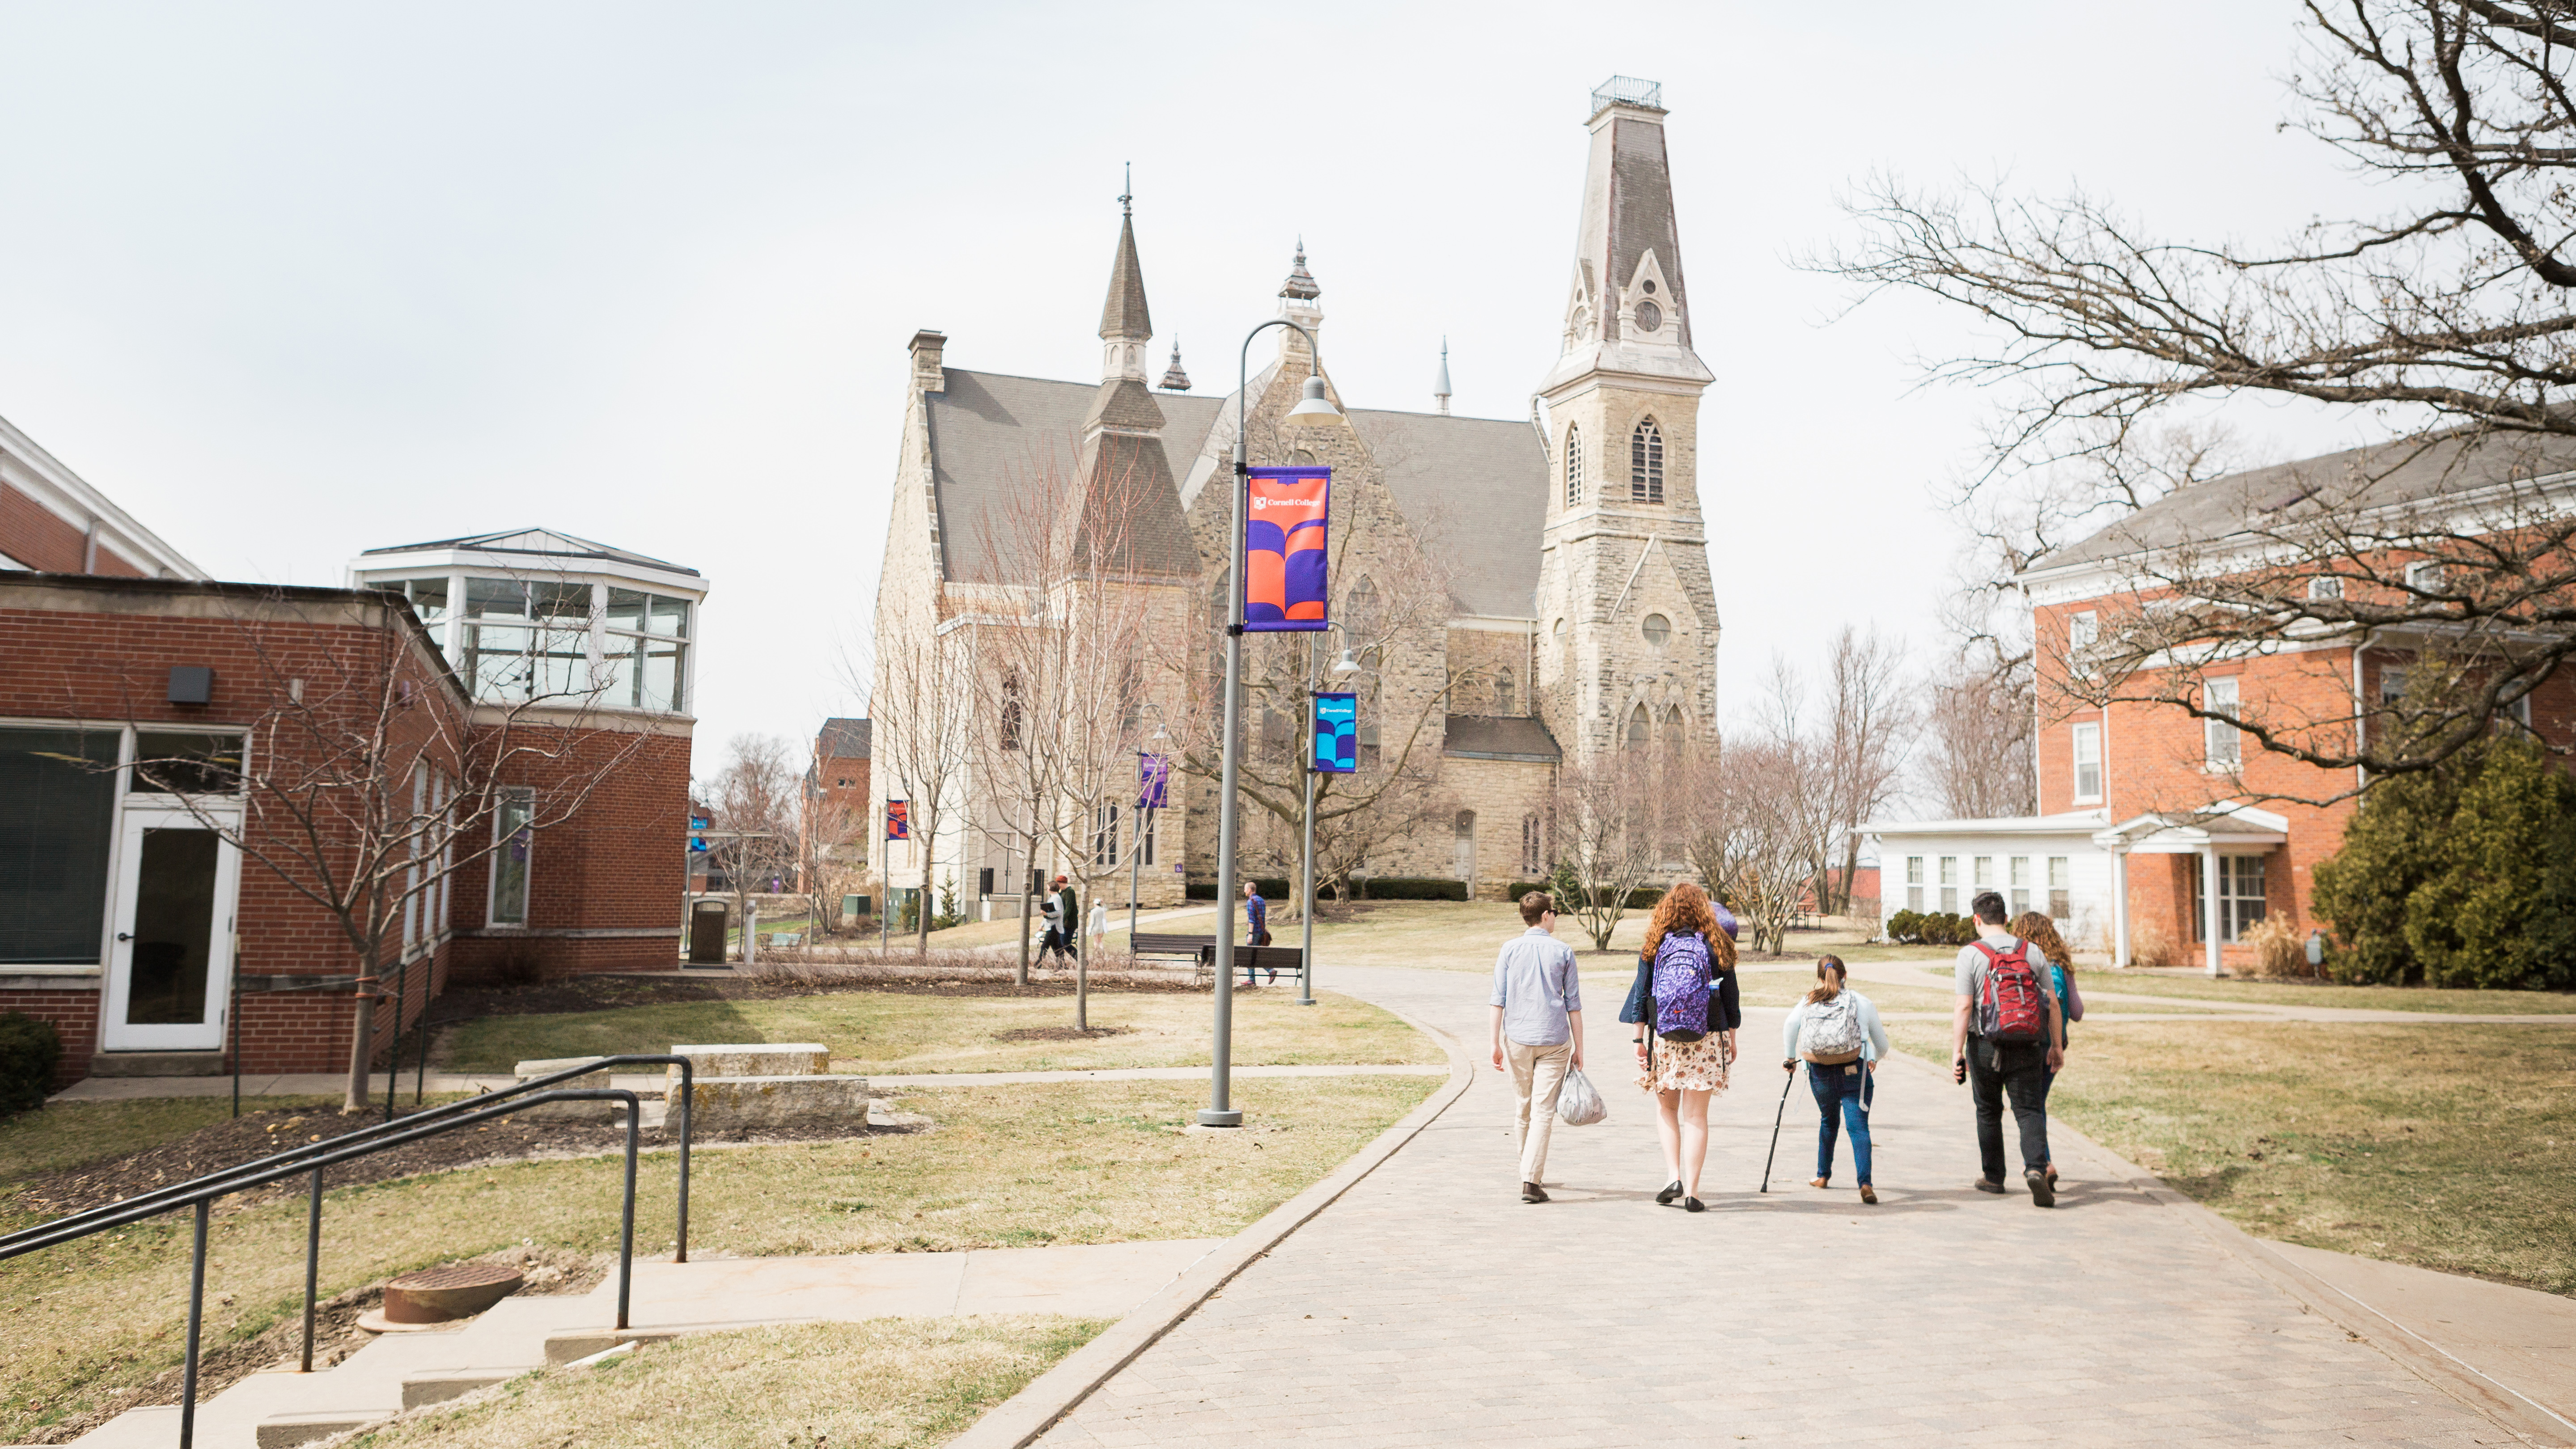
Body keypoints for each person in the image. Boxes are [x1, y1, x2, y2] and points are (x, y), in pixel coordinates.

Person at [1618, 882, 1737, 1212]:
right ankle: (1694, 1192)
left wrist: (1637, 1039)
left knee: (1666, 1110)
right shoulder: (1716, 945)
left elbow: (1641, 994)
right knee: (1696, 1117)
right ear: (1704, 910)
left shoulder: (1655, 946)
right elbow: (1732, 998)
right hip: (1708, 1039)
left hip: (1666, 1039)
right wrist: (1732, 1039)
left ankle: (1673, 1176)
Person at [1951, 890, 2064, 1207]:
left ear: (1977, 920)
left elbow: (1964, 1006)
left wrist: (1956, 1052)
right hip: (2028, 1043)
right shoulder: (2033, 951)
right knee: (2028, 1110)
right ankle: (2036, 1168)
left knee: (1988, 1110)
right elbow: (2052, 1004)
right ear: (2006, 918)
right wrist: (2056, 1045)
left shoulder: (1970, 954)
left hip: (1984, 1044)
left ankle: (1993, 1178)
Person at [1487, 891, 1585, 1203]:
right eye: (1554, 912)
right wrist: (1580, 1048)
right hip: (1555, 1041)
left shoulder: (1509, 949)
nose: (1555, 917)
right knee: (1544, 1111)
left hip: (1516, 1038)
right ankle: (1531, 1179)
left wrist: (1494, 1042)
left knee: (1523, 1107)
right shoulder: (1563, 951)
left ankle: (1527, 1169)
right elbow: (1574, 1005)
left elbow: (1497, 999)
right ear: (1545, 916)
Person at [1780, 954, 1891, 1204]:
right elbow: (1882, 1046)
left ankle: (1823, 1176)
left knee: (1828, 1121)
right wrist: (1872, 1056)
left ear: (1820, 978)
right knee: (1858, 1127)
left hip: (1820, 1073)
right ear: (1846, 975)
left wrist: (1789, 1059)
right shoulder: (1861, 1002)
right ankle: (1865, 1183)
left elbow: (1790, 1025)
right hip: (1855, 1072)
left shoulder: (1808, 1001)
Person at [2010, 911, 2085, 1186]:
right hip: (2056, 1044)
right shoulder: (2062, 966)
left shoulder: (2021, 961)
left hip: (2028, 1041)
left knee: (2032, 1105)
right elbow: (2076, 1012)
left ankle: (2043, 1164)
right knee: (2037, 1102)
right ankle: (2043, 1162)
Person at [1242, 880, 1275, 984]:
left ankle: (1253, 979)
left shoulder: (1251, 901)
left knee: (1250, 956)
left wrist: (1250, 935)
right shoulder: (1261, 900)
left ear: (1250, 890)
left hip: (1255, 933)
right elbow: (1262, 917)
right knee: (1256, 955)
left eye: (1245, 889)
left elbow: (1252, 919)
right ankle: (1270, 971)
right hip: (1262, 931)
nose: (1244, 891)